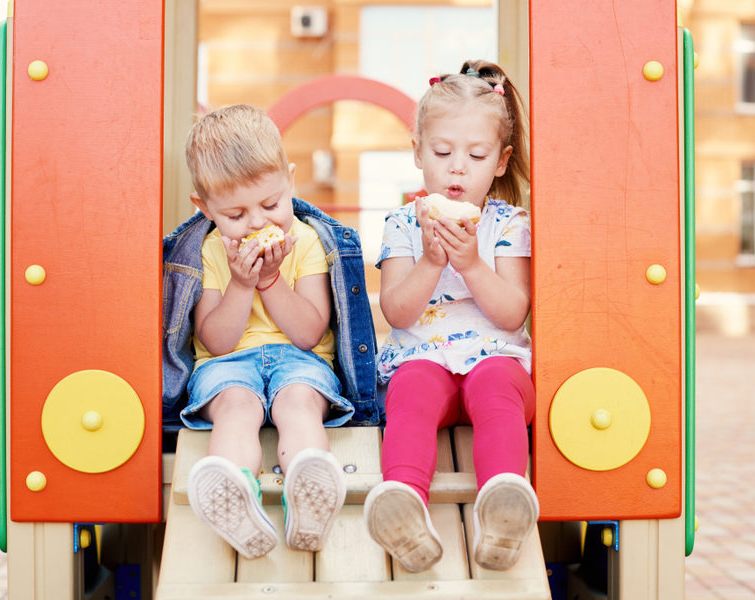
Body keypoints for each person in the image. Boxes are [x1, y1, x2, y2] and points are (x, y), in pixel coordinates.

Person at [363, 60, 537, 572]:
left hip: (496, 362)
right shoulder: (402, 223)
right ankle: (404, 504)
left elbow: (512, 313)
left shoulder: (509, 224)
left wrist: (471, 264)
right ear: (418, 151)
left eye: (476, 154)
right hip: (425, 359)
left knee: (496, 389)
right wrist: (432, 262)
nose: (457, 167)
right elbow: (395, 310)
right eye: (442, 152)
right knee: (411, 392)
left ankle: (504, 504)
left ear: (501, 161)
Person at [181, 104, 352, 559]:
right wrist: (241, 283)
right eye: (235, 213)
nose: (258, 223)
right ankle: (236, 496)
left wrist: (272, 281)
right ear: (204, 208)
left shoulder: (308, 241)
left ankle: (309, 494)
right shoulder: (210, 251)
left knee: (299, 402)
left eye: (271, 204)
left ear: (290, 182)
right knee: (236, 407)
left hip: (299, 360)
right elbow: (215, 341)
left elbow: (309, 333)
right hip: (228, 364)